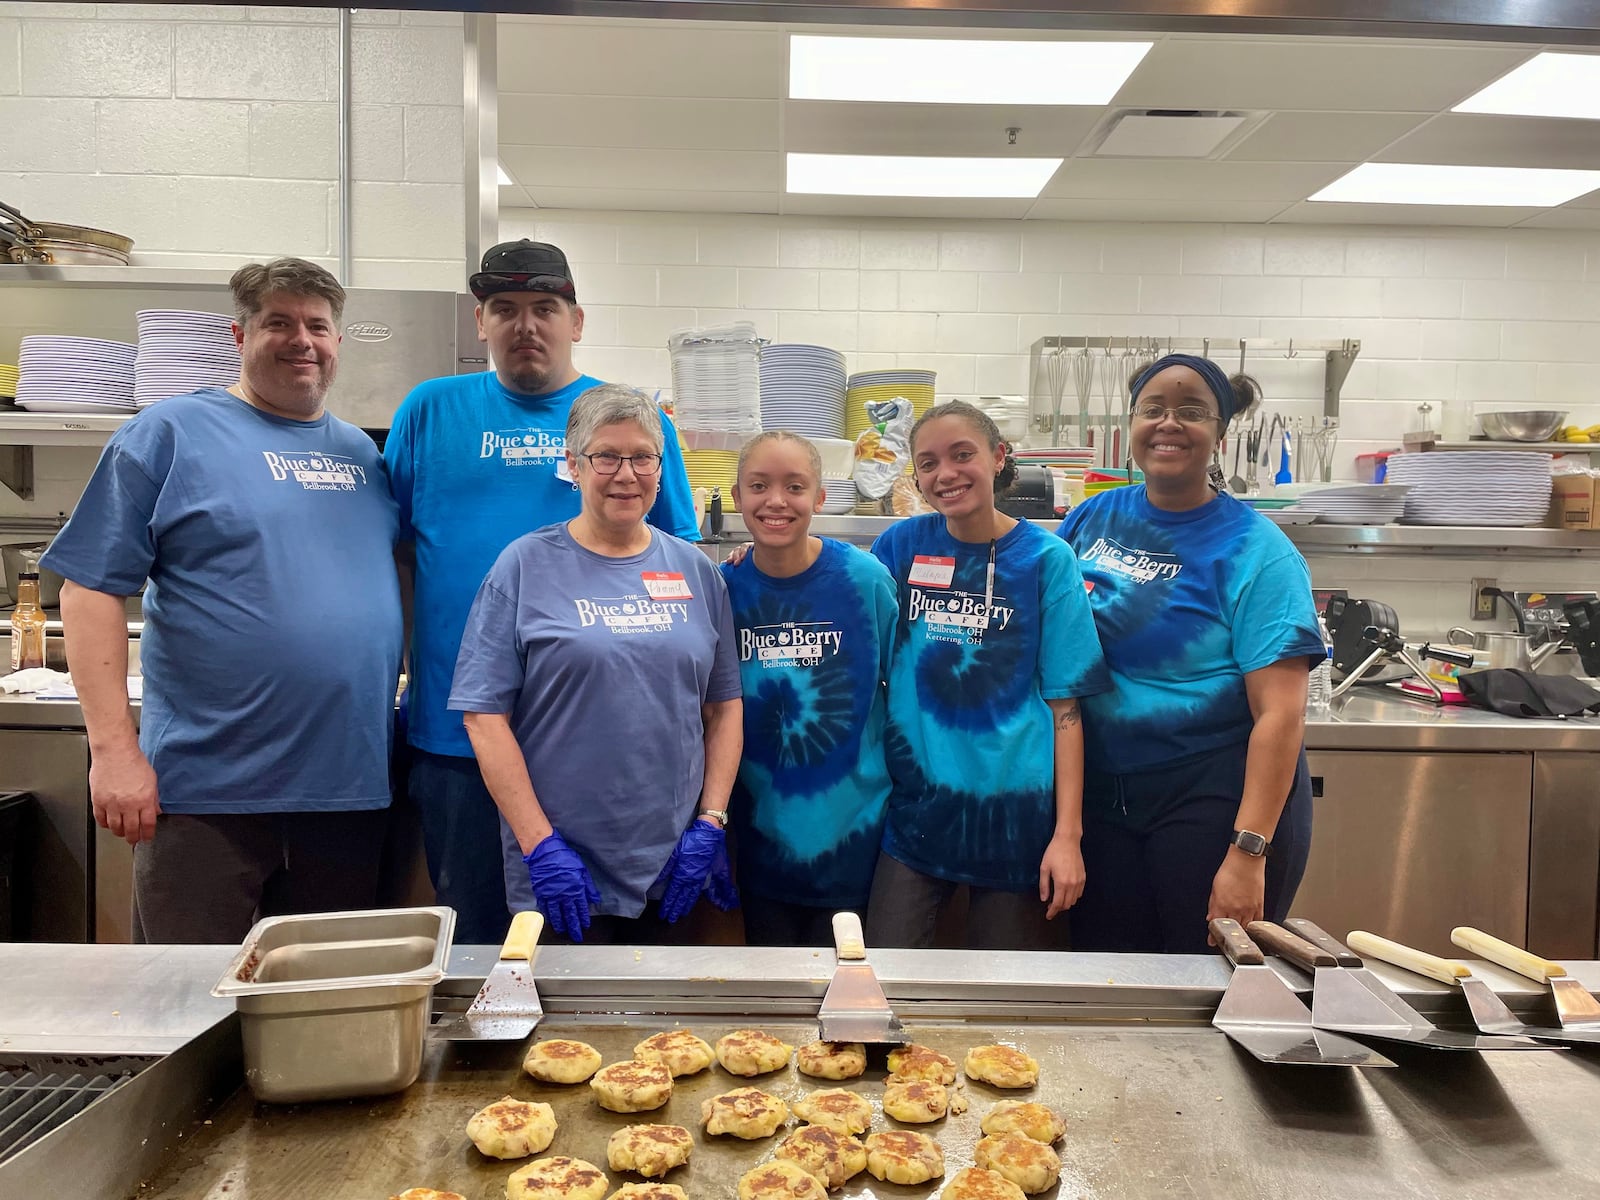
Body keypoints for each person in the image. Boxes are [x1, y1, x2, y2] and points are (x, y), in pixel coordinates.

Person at [43, 258, 402, 944]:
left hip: (347, 792)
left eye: (318, 325)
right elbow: (90, 588)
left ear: (337, 341)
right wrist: (115, 753)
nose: (302, 340)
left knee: (327, 1017)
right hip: (207, 794)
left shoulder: (360, 455)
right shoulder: (168, 433)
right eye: (279, 322)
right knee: (185, 1012)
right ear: (240, 337)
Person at [385, 240, 700, 944]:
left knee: (592, 964)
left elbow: (676, 562)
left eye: (544, 309)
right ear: (480, 323)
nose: (526, 325)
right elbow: (395, 550)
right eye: (505, 309)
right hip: (458, 742)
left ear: (576, 320)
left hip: (596, 755)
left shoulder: (631, 423)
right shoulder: (430, 411)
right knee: (476, 954)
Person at [448, 384, 741, 944]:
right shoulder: (523, 566)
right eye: (606, 455)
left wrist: (711, 822)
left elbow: (724, 707)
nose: (625, 474)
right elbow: (483, 719)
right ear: (573, 465)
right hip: (562, 869)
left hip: (672, 860)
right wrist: (539, 844)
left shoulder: (696, 572)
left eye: (642, 457)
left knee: (667, 1030)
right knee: (561, 1030)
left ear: (660, 467)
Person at [1058, 354, 1323, 955]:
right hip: (1104, 796)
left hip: (1212, 797)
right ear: (1132, 426)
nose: (1169, 423)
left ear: (1221, 434)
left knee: (1205, 985)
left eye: (1192, 412)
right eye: (1153, 409)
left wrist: (1248, 852)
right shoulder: (1093, 515)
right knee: (1110, 983)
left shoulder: (1258, 551)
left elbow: (1281, 714)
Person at [865, 401, 1109, 950]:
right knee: (884, 983)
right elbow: (832, 587)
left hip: (1016, 820)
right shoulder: (902, 547)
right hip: (917, 813)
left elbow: (1066, 707)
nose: (945, 474)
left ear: (999, 458)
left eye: (962, 455)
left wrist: (1067, 837)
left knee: (1004, 1002)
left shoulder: (1048, 560)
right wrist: (750, 555)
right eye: (927, 463)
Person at [719, 432, 897, 946]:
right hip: (760, 839)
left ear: (820, 498)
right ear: (736, 498)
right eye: (759, 486)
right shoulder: (723, 587)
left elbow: (897, 685)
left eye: (795, 486)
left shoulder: (863, 580)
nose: (776, 501)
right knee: (773, 1009)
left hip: (856, 836)